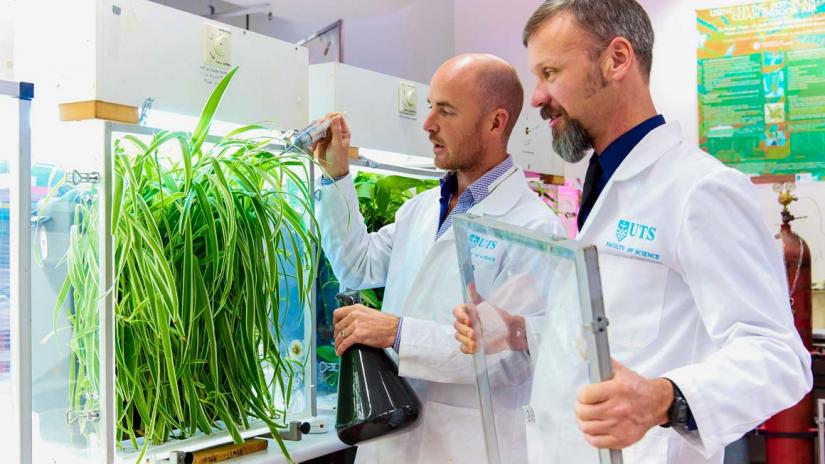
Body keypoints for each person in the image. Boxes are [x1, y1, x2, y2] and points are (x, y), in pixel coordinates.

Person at [454, 1, 812, 463]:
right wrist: (520, 331)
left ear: (617, 59)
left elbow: (780, 357)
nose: (538, 96)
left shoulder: (700, 190)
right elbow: (614, 332)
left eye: (550, 72)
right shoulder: (599, 181)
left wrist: (665, 398)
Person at [314, 53, 564, 463]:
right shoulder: (422, 209)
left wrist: (398, 333)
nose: (428, 124)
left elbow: (516, 359)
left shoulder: (533, 229)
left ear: (495, 122)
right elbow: (355, 265)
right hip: (390, 445)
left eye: (446, 111)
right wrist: (336, 176)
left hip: (464, 447)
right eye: (431, 107)